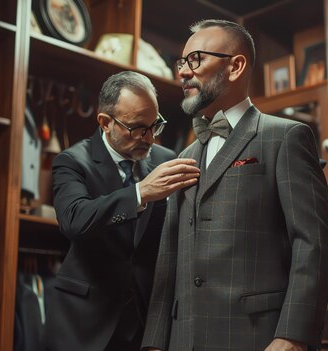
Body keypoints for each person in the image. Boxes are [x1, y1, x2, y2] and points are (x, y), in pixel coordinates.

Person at [141, 20, 328, 351]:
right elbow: (169, 254)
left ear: (235, 66)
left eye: (196, 59)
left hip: (257, 337)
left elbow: (312, 243)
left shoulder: (284, 137)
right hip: (184, 339)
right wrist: (155, 342)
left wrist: (293, 336)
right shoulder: (183, 156)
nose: (184, 72)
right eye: (182, 63)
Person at [46, 71, 200, 351]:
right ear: (105, 122)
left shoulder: (167, 161)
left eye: (156, 125)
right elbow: (74, 219)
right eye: (138, 128)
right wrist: (140, 193)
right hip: (84, 323)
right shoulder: (72, 162)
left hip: (147, 321)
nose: (150, 138)